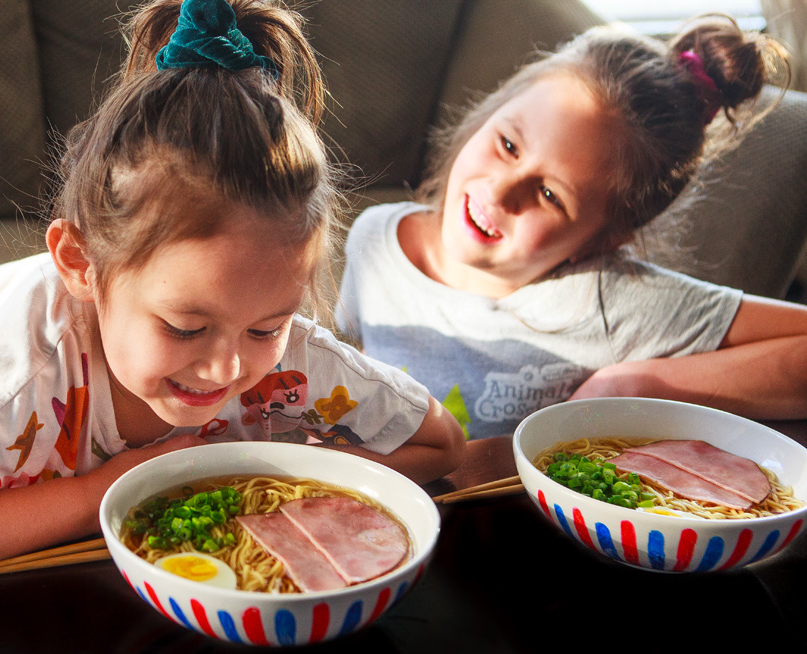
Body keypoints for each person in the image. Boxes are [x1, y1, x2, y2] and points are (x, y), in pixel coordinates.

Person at [0, 0, 466, 579]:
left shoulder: (286, 359)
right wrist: (98, 493)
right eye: (185, 328)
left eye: (267, 327)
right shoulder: (22, 379)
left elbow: (440, 443)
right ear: (81, 264)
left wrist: (291, 480)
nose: (228, 367)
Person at [336, 15, 807, 440]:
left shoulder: (606, 301)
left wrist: (632, 384)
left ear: (605, 239)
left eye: (549, 196)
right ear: (491, 112)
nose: (501, 193)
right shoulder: (375, 240)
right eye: (508, 144)